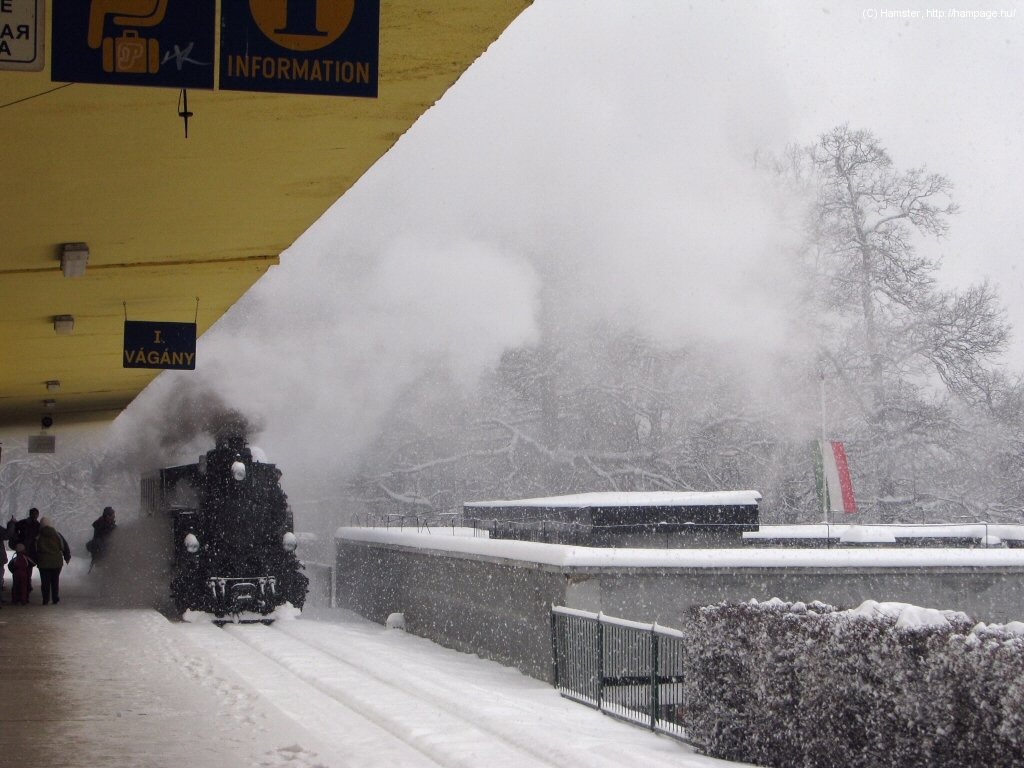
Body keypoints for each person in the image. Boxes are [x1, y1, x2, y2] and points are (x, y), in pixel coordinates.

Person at [35, 517, 70, 605]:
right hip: (56, 562)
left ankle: (45, 599)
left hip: (43, 562)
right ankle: (55, 598)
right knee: (55, 581)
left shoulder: (38, 536)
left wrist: (36, 559)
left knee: (45, 582)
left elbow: (34, 548)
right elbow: (64, 546)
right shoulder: (57, 535)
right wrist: (67, 557)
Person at [11, 508, 41, 590]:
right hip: (28, 551)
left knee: (21, 569)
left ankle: (22, 589)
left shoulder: (23, 523)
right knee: (26, 570)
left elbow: (14, 531)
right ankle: (25, 589)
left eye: (36, 514)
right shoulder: (37, 525)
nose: (35, 516)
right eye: (34, 514)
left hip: (24, 550)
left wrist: (17, 542)